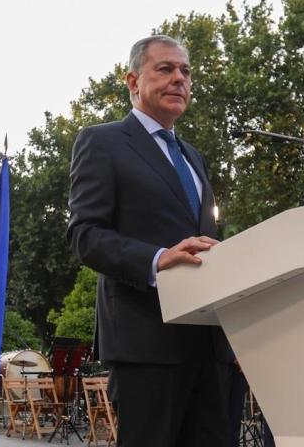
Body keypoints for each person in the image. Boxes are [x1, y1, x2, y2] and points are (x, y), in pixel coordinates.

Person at [68, 35, 230, 447]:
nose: (179, 79)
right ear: (132, 81)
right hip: (146, 343)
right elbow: (85, 235)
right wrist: (158, 259)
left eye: (186, 72)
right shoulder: (101, 142)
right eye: (165, 69)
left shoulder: (194, 157)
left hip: (208, 346)